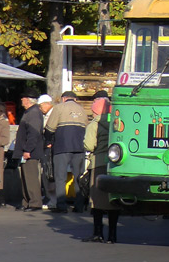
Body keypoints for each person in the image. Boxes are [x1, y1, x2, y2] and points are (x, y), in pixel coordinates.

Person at [82, 92, 120, 243]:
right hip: (113, 164)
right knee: (112, 202)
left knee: (97, 201)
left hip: (98, 163)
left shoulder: (94, 125)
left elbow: (89, 145)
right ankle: (112, 235)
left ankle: (98, 233)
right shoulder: (115, 124)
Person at [44, 91, 89, 212]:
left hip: (62, 147)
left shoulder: (58, 108)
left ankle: (61, 205)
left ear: (64, 99)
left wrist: (48, 140)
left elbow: (49, 128)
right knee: (78, 177)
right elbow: (86, 128)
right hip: (79, 148)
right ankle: (79, 205)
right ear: (75, 99)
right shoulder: (82, 110)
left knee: (60, 178)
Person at [13, 89, 45, 211]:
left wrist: (28, 150)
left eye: (23, 97)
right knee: (25, 177)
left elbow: (34, 133)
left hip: (30, 152)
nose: (21, 100)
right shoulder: (29, 112)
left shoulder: (34, 113)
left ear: (28, 99)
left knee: (31, 177)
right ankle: (26, 201)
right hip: (26, 151)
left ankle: (35, 202)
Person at [37, 94, 55, 208]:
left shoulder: (52, 115)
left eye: (40, 106)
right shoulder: (47, 114)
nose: (39, 108)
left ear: (46, 104)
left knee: (49, 172)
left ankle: (51, 198)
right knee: (48, 171)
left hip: (49, 147)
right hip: (48, 146)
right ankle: (49, 197)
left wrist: (50, 143)